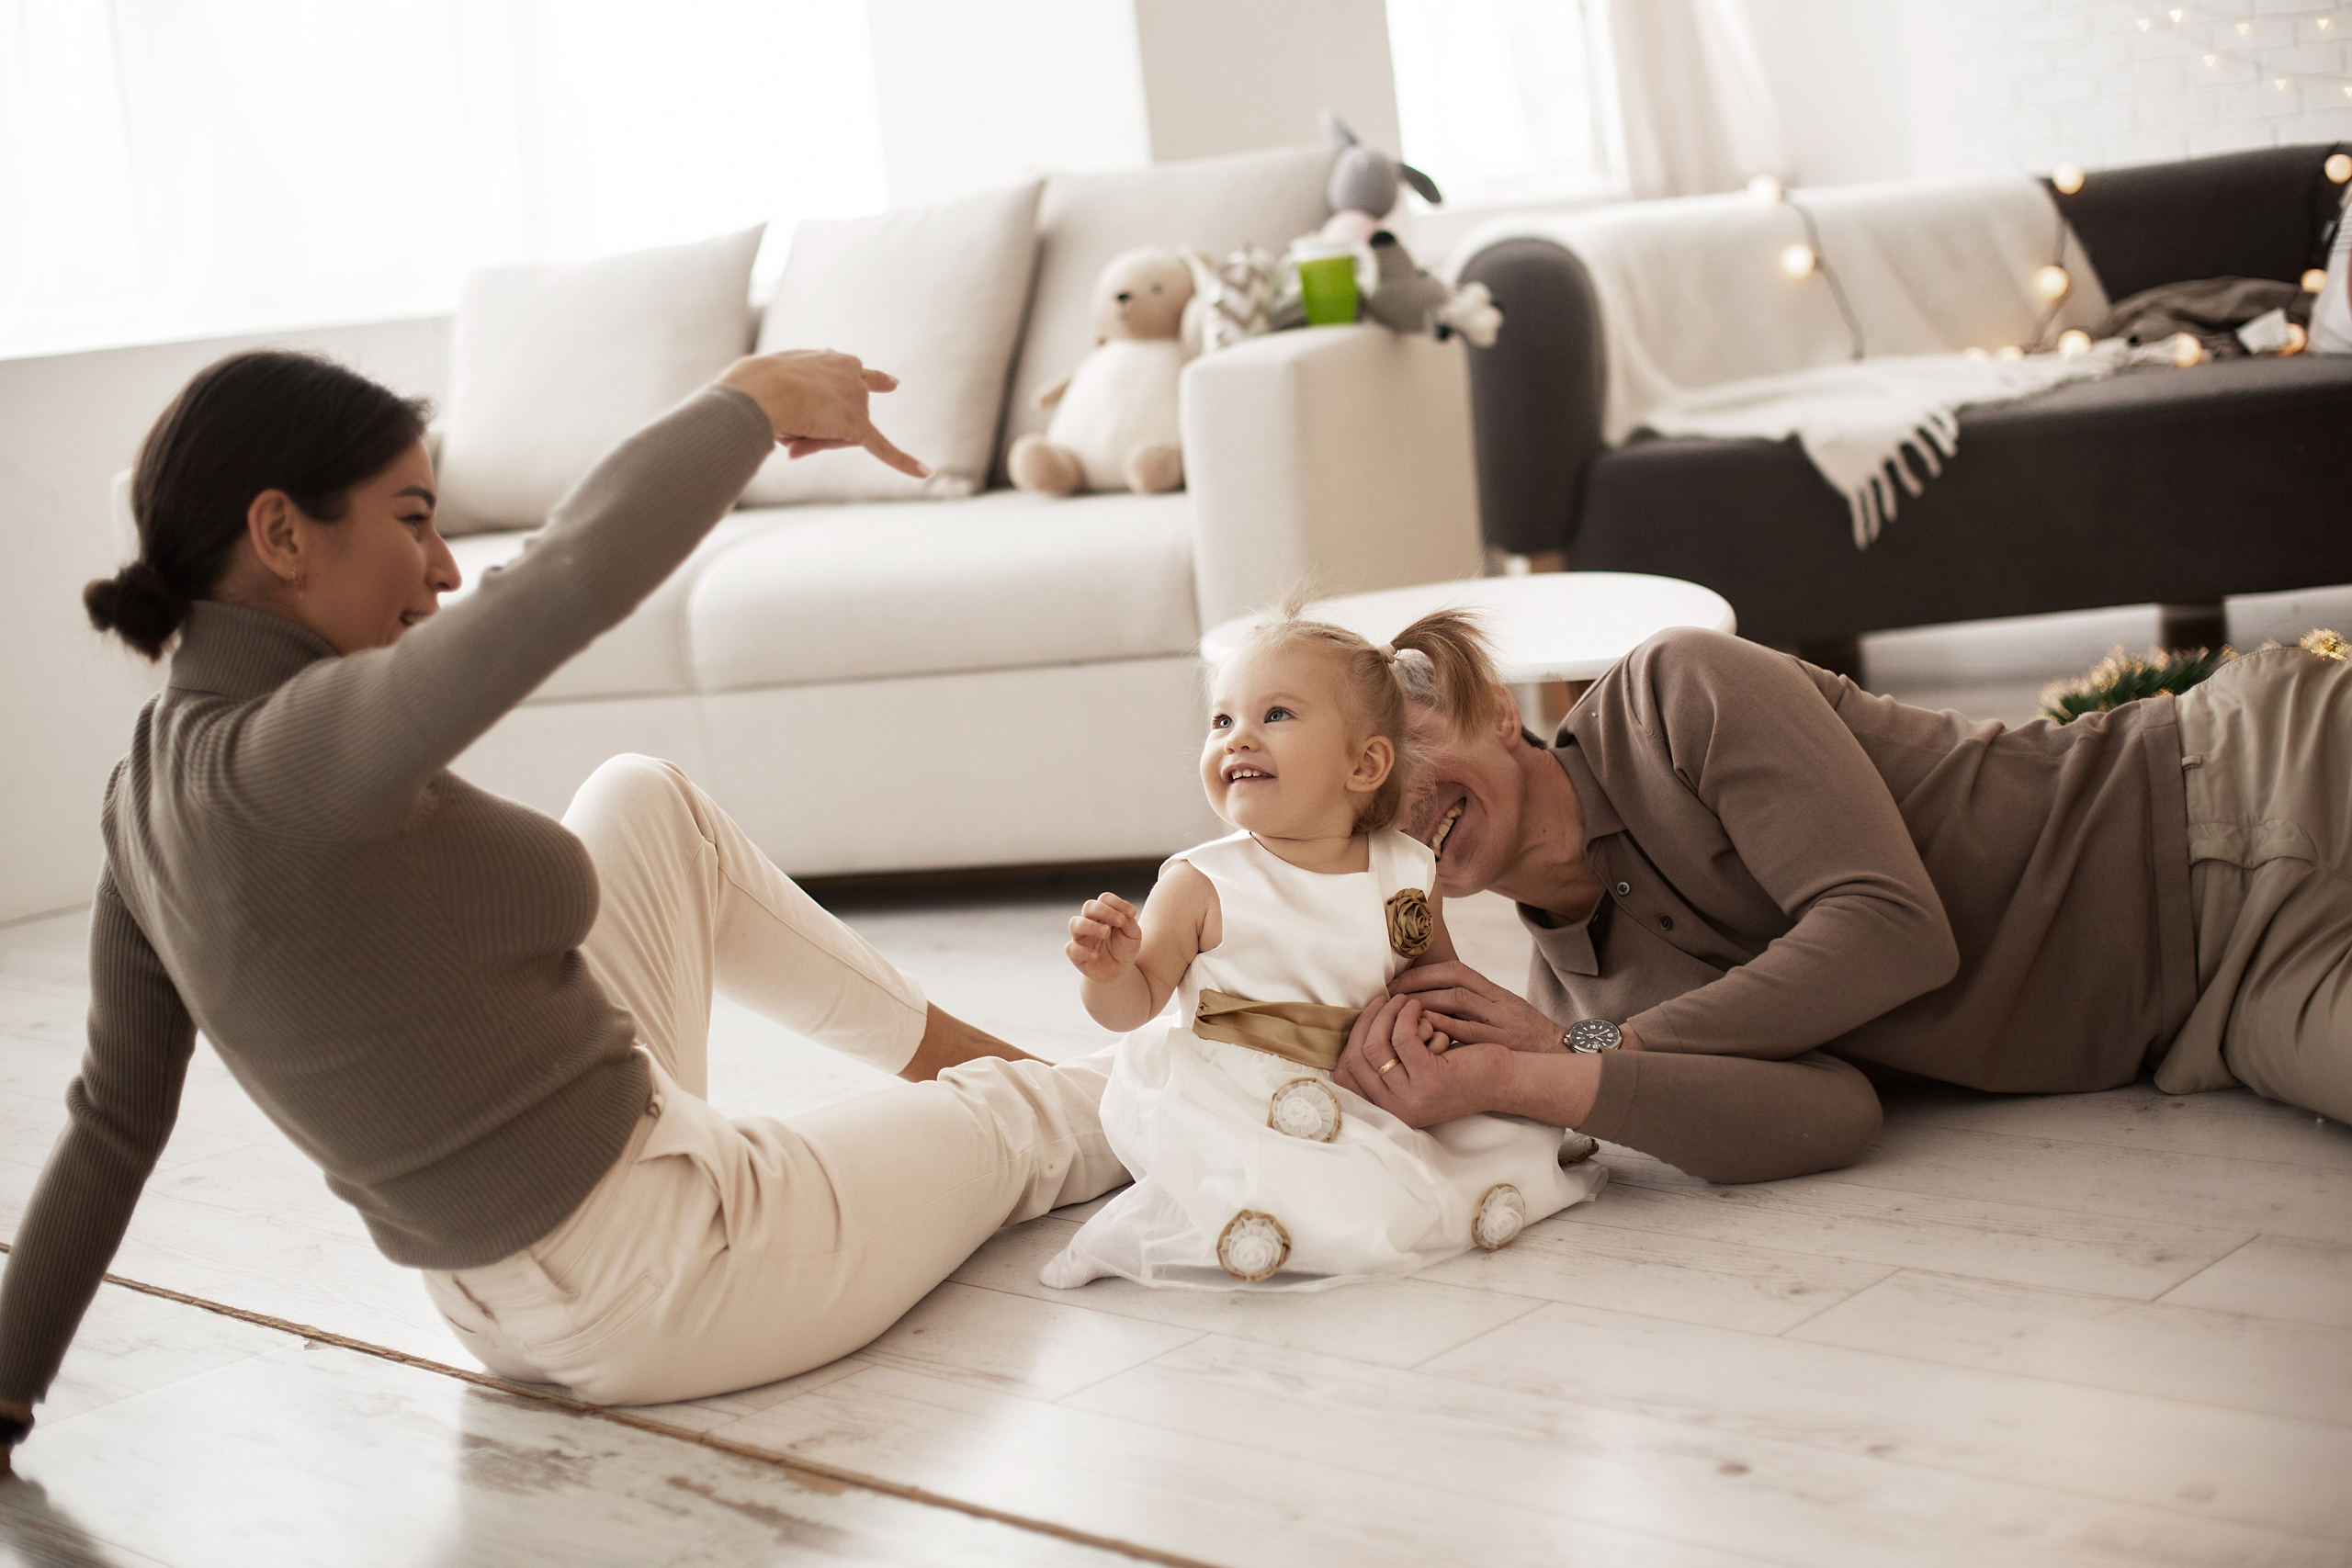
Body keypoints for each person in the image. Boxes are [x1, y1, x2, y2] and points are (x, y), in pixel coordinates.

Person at [0, 348, 1128, 1471]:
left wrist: (4, 1390)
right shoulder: (298, 752)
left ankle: (973, 1062)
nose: (443, 568)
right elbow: (563, 580)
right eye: (412, 519)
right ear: (282, 534)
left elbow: (111, 1124)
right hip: (672, 1272)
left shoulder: (144, 795)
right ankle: (1193, 1062)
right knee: (1041, 1120)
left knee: (644, 800)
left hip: (512, 1288)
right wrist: (754, 402)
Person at [1326, 622, 2352, 1185]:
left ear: (1497, 712)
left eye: (1408, 745)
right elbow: (1832, 1114)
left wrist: (1594, 1049)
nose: (1403, 800)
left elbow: (1892, 931)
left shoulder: (1674, 694)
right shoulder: (1576, 998)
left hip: (2240, 776)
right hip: (2227, 999)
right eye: (1364, 801)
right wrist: (1527, 1072)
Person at [1047, 610, 1601, 1291]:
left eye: (1276, 714)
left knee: (1462, 1135)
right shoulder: (1200, 882)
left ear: (1364, 763)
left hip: (1374, 1074)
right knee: (1317, 1176)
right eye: (1222, 720)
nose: (1237, 737)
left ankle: (1503, 1156)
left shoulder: (1406, 867)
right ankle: (1259, 1220)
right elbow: (1132, 1006)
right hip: (1244, 1092)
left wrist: (1444, 1044)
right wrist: (1108, 974)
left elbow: (1440, 984)